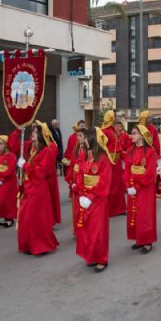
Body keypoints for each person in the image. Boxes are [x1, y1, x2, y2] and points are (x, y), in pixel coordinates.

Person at [16, 123, 59, 256]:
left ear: (41, 135)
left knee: (35, 218)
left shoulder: (46, 151)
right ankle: (30, 245)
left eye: (35, 132)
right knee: (26, 218)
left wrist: (26, 165)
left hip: (38, 189)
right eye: (33, 131)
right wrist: (18, 131)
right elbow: (13, 145)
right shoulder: (32, 149)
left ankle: (41, 246)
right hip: (29, 187)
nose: (32, 133)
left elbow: (41, 172)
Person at [75, 128, 113, 272]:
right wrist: (81, 193)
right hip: (85, 197)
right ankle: (91, 256)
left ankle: (101, 258)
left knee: (98, 231)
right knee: (87, 230)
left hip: (97, 200)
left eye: (85, 138)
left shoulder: (103, 158)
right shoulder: (85, 155)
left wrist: (91, 196)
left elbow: (104, 182)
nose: (83, 140)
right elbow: (79, 174)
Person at [123, 125, 158, 253]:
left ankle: (147, 241)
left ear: (142, 135)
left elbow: (150, 173)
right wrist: (128, 185)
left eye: (134, 133)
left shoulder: (150, 152)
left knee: (145, 214)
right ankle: (139, 239)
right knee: (134, 214)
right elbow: (127, 169)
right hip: (132, 187)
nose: (131, 136)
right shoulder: (130, 150)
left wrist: (137, 186)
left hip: (145, 188)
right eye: (131, 133)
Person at [101, 110, 127, 217]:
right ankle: (110, 210)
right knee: (111, 186)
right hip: (109, 162)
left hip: (116, 162)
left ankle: (119, 209)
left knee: (119, 186)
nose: (115, 118)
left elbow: (117, 146)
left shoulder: (112, 130)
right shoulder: (104, 131)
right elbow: (102, 147)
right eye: (114, 116)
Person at [36, 120, 62, 226]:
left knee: (49, 201)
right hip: (41, 178)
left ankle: (50, 221)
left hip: (48, 178)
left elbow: (47, 165)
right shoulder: (38, 146)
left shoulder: (51, 146)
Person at [0, 135, 18, 228]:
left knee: (7, 200)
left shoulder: (11, 156)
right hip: (0, 183)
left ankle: (10, 219)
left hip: (9, 183)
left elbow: (10, 170)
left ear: (6, 145)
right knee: (1, 201)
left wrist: (2, 179)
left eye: (1, 143)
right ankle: (6, 218)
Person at [66, 128, 87, 236]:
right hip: (75, 178)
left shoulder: (88, 150)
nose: (78, 138)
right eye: (77, 136)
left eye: (80, 136)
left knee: (83, 207)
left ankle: (83, 229)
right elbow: (72, 165)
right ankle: (77, 229)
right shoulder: (75, 148)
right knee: (76, 208)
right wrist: (70, 179)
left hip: (83, 180)